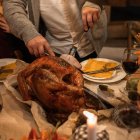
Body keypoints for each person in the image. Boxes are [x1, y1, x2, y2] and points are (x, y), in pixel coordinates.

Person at [2, 0, 107, 67]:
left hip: (89, 39)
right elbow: (12, 4)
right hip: (55, 46)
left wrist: (94, 1)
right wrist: (28, 33)